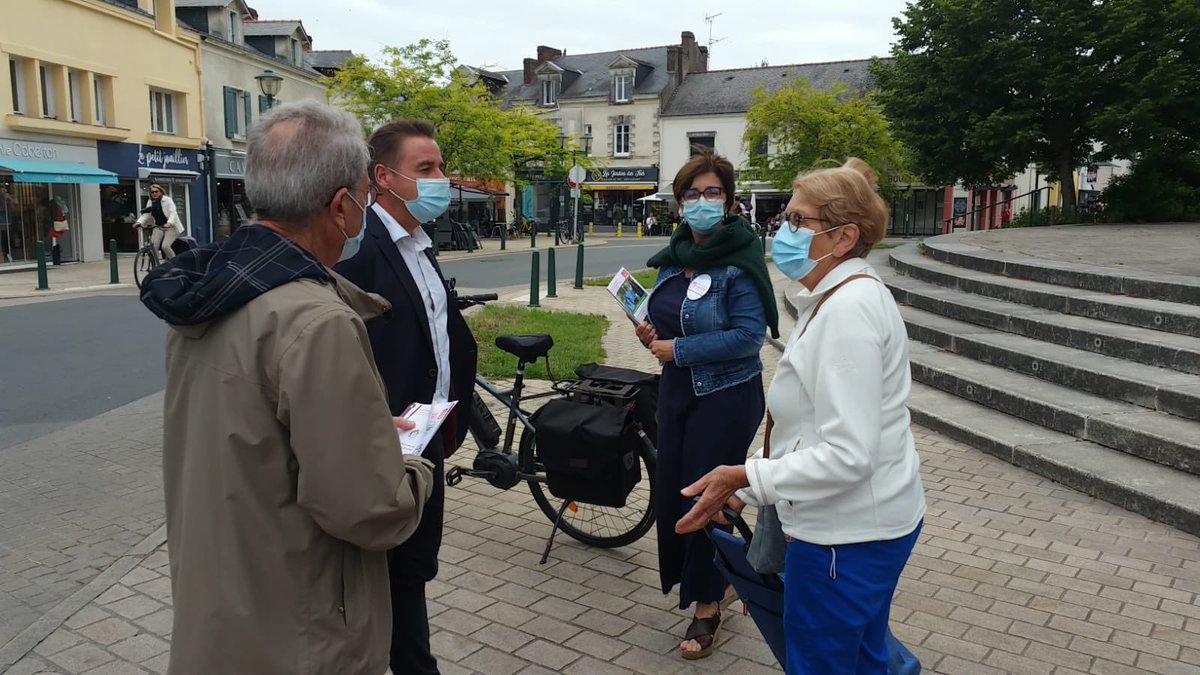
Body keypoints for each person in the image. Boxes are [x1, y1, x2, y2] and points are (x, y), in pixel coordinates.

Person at [138, 100, 435, 675]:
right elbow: (369, 509)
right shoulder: (318, 321)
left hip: (223, 608)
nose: (364, 212)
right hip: (302, 627)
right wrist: (408, 462)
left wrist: (356, 428)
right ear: (340, 206)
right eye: (363, 197)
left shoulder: (208, 292)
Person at [676, 158, 926, 674]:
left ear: (844, 237)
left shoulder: (847, 312)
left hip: (843, 538)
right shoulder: (838, 296)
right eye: (784, 218)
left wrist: (745, 477)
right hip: (864, 526)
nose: (782, 231)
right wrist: (747, 488)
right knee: (866, 657)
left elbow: (848, 455)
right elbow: (810, 428)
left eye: (796, 220)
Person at [334, 120, 479, 675]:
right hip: (385, 443)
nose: (441, 178)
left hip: (428, 435)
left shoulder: (420, 244)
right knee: (391, 573)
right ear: (383, 177)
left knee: (415, 567)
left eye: (441, 166)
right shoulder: (359, 251)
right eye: (426, 169)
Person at [636, 149, 780, 660]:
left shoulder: (740, 262)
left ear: (730, 201)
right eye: (691, 193)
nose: (701, 201)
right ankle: (715, 578)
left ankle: (708, 605)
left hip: (725, 396)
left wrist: (677, 349)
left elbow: (748, 337)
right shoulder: (676, 256)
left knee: (704, 497)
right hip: (678, 392)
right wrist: (651, 334)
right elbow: (667, 316)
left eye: (712, 192)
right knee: (676, 493)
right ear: (680, 204)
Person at [133, 184, 183, 260]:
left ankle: (175, 262)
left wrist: (169, 223)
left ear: (161, 192)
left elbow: (173, 213)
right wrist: (139, 222)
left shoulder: (167, 200)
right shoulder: (150, 202)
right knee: (153, 246)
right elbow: (147, 214)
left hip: (171, 227)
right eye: (152, 192)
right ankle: (156, 264)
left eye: (156, 191)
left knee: (165, 246)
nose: (154, 193)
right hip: (159, 226)